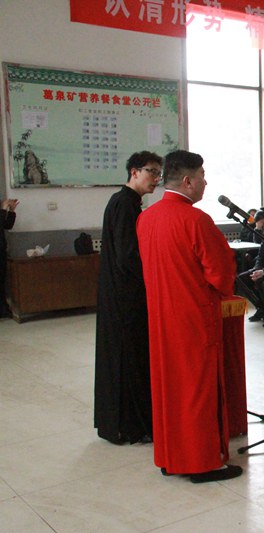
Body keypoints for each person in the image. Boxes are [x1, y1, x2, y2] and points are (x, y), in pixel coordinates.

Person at [137, 150, 241, 482]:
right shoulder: (196, 220)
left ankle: (170, 457)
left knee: (168, 389)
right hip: (194, 318)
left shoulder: (146, 218)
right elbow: (220, 274)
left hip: (160, 318)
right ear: (187, 181)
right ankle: (202, 462)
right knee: (199, 390)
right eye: (202, 176)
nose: (205, 183)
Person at [94, 151, 162, 445]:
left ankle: (125, 424)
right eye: (151, 172)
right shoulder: (124, 204)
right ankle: (130, 426)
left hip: (121, 293)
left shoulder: (126, 202)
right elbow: (128, 256)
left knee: (127, 358)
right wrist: (154, 277)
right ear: (134, 171)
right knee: (129, 359)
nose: (156, 179)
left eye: (159, 174)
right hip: (126, 297)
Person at [0, 197, 19, 318]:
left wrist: (11, 211)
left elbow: (7, 225)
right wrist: (3, 209)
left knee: (2, 280)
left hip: (1, 250)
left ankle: (3, 309)